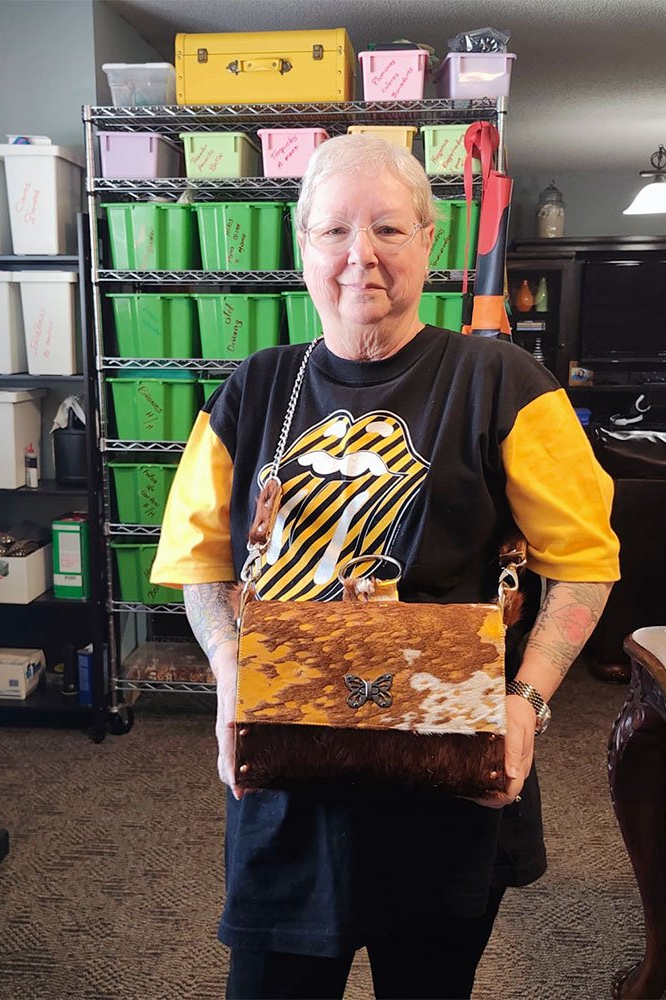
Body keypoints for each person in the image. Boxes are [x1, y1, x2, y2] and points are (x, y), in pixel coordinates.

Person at [151, 134, 620, 1000]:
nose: (360, 254)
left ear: (429, 242)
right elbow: (201, 561)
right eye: (334, 230)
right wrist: (228, 674)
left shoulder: (503, 380)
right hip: (289, 769)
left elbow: (583, 563)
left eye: (389, 229)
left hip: (446, 773)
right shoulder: (255, 388)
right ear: (303, 246)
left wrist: (528, 701)